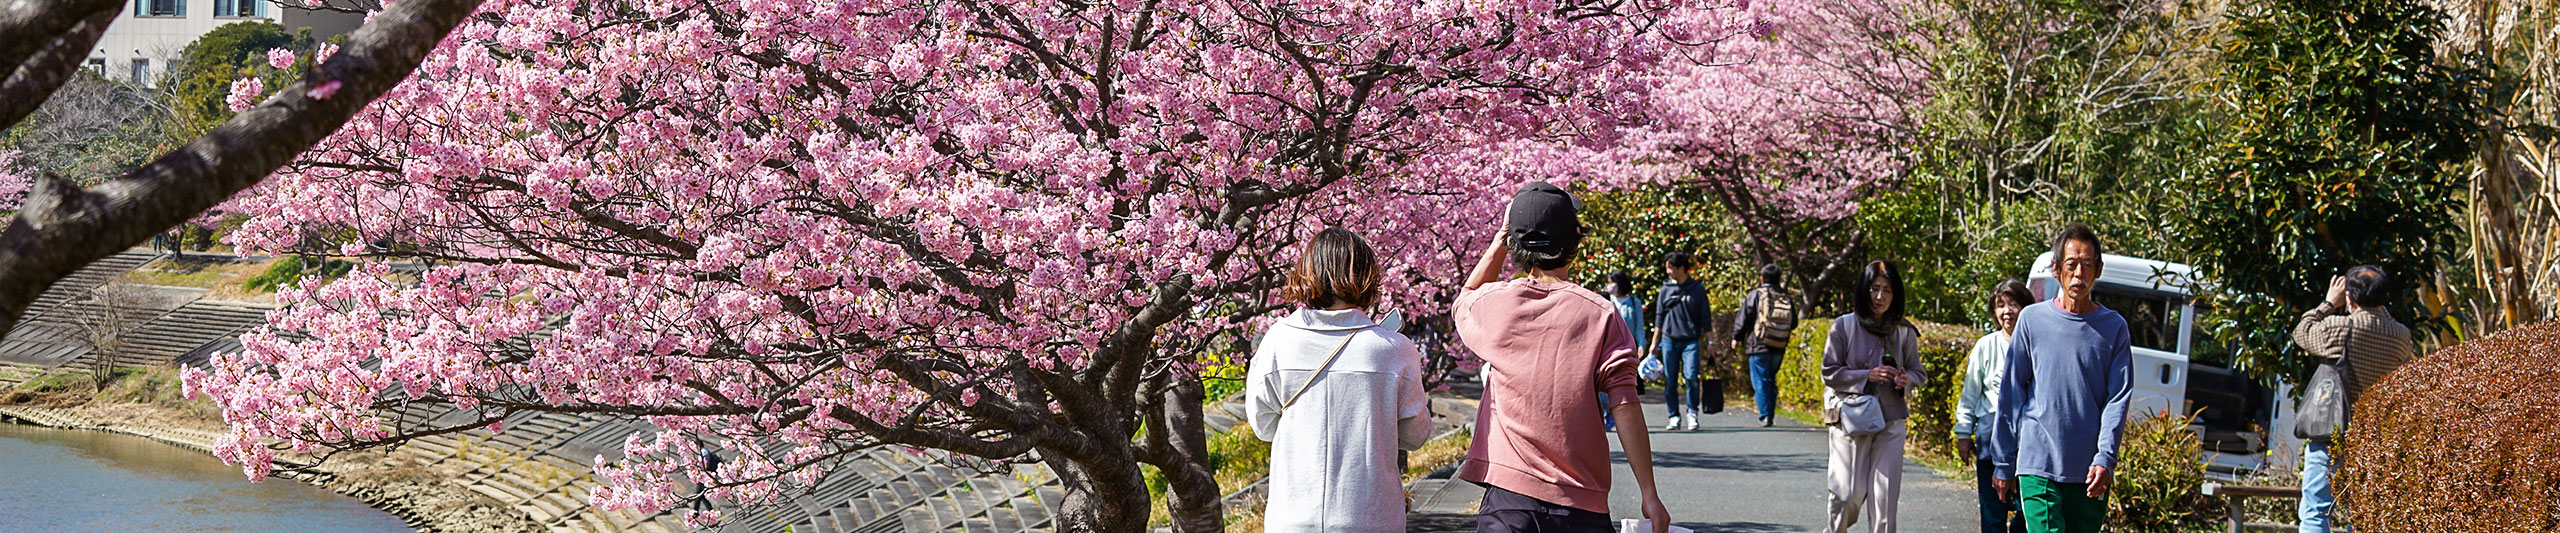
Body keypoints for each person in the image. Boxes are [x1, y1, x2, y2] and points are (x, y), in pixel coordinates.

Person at [1455, 181, 1670, 533]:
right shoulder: (1601, 314)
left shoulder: (1492, 305)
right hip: (1580, 502)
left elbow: (1466, 295)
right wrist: (1649, 493)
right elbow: (1626, 405)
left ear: (1515, 246)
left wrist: (1499, 240)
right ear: (1575, 244)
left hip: (1508, 500)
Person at [1247, 227, 1433, 533]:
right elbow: (1416, 435)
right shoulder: (1393, 349)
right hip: (1372, 517)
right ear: (1368, 277)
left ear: (1308, 273)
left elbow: (1263, 426)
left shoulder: (1278, 341)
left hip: (1293, 517)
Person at [1988, 224, 2134, 533]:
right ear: (2057, 269)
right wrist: (2003, 460)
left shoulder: (2114, 328)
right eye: (2071, 265)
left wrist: (2106, 458)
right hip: (2037, 462)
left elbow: (2117, 399)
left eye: (2087, 264)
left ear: (2099, 270)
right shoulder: (2032, 320)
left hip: (2090, 471)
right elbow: (2011, 394)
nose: (2079, 273)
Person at [2290, 265, 2414, 533]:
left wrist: (2327, 304)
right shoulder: (2401, 336)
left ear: (2349, 298)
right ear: (2384, 297)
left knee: (2316, 512)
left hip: (2331, 434)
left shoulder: (2340, 328)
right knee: (2360, 517)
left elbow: (2302, 332)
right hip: (2374, 438)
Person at [1820, 260, 1926, 533]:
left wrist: (1906, 379)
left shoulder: (1903, 330)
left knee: (1884, 504)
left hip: (1891, 421)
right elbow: (1829, 371)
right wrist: (1867, 375)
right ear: (1863, 290)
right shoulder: (1843, 326)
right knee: (1845, 496)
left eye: (1887, 290)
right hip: (1851, 420)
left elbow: (1918, 372)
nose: (1879, 297)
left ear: (1896, 294)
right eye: (1874, 288)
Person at [1954, 279, 2035, 533]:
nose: (2007, 311)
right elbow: (1970, 393)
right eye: (2000, 305)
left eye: (2013, 304)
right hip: (1991, 440)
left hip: (2029, 442)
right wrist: (1964, 433)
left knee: (2026, 513)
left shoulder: (2037, 344)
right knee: (1992, 515)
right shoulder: (1985, 346)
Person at [1650, 251, 1713, 431]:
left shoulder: (1697, 290)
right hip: (1669, 340)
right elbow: (1659, 318)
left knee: (1691, 377)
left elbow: (1705, 318)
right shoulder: (1665, 290)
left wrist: (1710, 342)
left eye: (1670, 268)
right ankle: (1673, 416)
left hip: (1691, 341)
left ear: (1681, 268)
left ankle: (1692, 413)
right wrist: (1655, 343)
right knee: (1670, 380)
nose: (1668, 271)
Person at [1732, 263, 1796, 427]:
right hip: (1779, 345)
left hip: (1758, 345)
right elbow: (1793, 322)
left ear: (1761, 278)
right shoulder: (1784, 296)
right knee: (1770, 379)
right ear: (1779, 279)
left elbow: (1744, 317)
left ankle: (1765, 415)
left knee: (1760, 381)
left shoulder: (1756, 295)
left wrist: (1736, 337)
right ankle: (1771, 413)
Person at [1604, 271, 1649, 429]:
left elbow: (1638, 326)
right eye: (1608, 282)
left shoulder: (1633, 302)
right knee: (1605, 383)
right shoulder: (1606, 300)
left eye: (1612, 282)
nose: (1610, 286)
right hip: (1607, 347)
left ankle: (1622, 416)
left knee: (1624, 384)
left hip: (1627, 348)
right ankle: (1607, 413)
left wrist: (1642, 345)